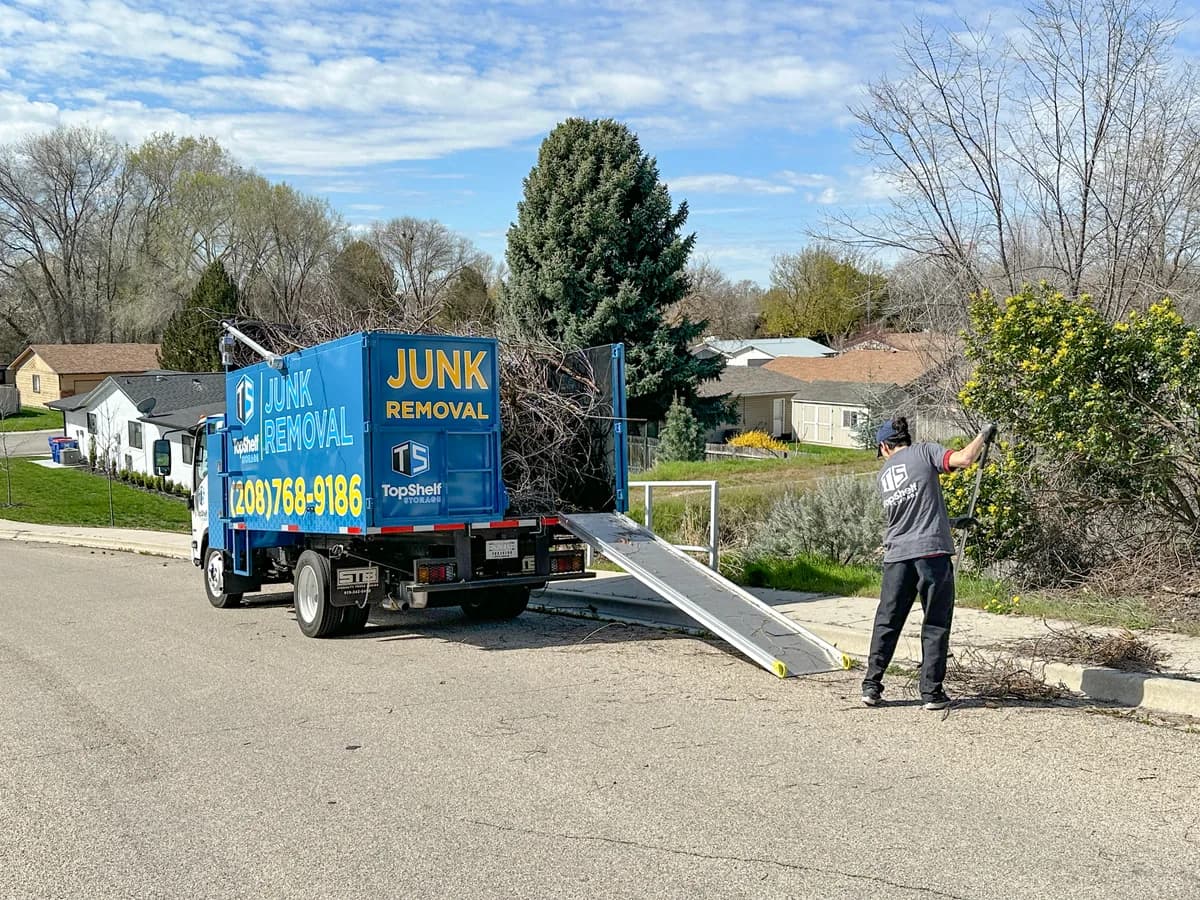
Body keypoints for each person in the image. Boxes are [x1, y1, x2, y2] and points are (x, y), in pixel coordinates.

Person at [861, 416, 995, 711]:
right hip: (932, 554)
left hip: (897, 556)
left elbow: (910, 518)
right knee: (934, 622)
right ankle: (931, 693)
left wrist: (951, 522)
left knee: (887, 621)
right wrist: (983, 435)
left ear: (884, 447)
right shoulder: (924, 451)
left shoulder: (885, 474)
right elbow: (964, 459)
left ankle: (872, 686)